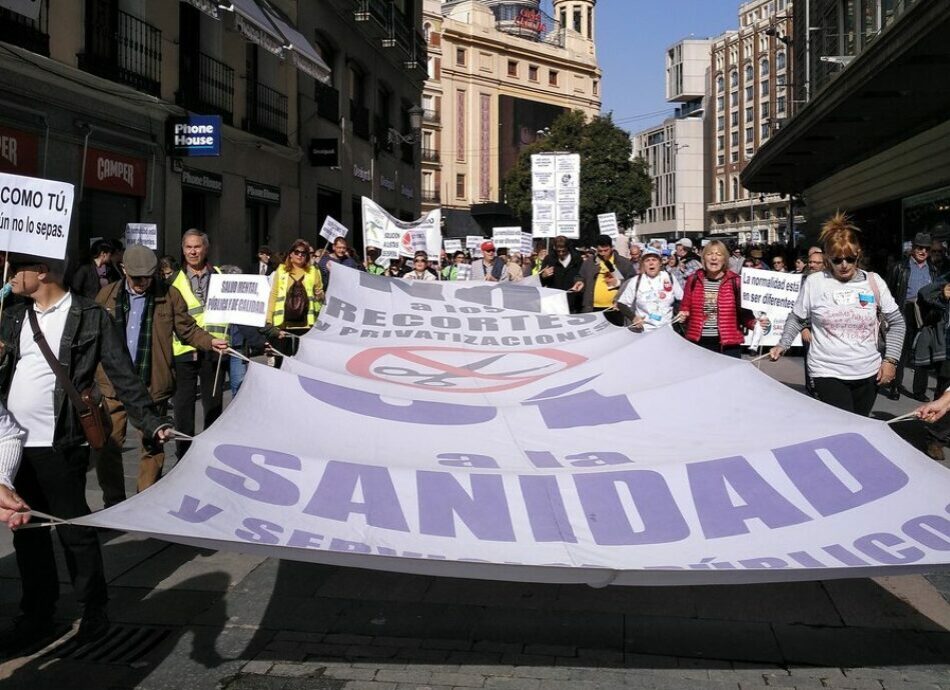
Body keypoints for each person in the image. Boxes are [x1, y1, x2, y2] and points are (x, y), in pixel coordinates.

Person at [0, 253, 173, 652]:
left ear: (40, 273)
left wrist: (150, 421)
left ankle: (94, 607)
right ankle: (37, 613)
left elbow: (121, 372)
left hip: (62, 442)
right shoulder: (12, 314)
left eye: (15, 271)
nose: (9, 278)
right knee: (25, 532)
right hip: (14, 447)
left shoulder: (89, 315)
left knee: (74, 529)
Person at [93, 245, 227, 507]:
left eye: (148, 277)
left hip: (152, 383)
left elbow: (187, 330)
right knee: (108, 446)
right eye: (137, 278)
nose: (143, 283)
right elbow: (94, 337)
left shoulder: (170, 295)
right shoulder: (106, 296)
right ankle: (114, 503)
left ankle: (146, 502)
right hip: (112, 384)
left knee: (152, 445)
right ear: (123, 271)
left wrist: (210, 342)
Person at [769, 213, 905, 416]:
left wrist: (891, 361)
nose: (844, 265)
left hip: (868, 371)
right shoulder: (815, 282)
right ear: (827, 258)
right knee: (843, 424)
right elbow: (797, 317)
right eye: (837, 259)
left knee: (859, 425)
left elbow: (897, 323)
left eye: (850, 259)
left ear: (858, 254)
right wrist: (783, 343)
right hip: (826, 371)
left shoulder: (874, 282)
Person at [169, 229, 230, 460]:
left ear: (206, 249)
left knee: (213, 405)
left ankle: (210, 453)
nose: (193, 251)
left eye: (197, 247)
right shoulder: (173, 280)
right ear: (183, 250)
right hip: (183, 352)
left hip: (214, 352)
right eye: (188, 247)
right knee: (183, 409)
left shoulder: (221, 277)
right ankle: (184, 455)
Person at [680, 240, 761, 357]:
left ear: (725, 259)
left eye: (718, 254)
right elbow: (685, 306)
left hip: (728, 344)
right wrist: (684, 313)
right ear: (703, 258)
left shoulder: (735, 281)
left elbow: (744, 312)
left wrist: (755, 324)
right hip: (699, 342)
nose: (714, 258)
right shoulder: (693, 280)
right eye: (709, 254)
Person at [886, 231, 938, 402]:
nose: (923, 251)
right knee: (902, 351)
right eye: (919, 247)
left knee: (923, 352)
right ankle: (895, 385)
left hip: (926, 311)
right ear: (913, 248)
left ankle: (919, 391)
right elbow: (889, 292)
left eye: (926, 249)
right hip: (905, 310)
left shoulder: (933, 269)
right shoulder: (900, 267)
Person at [265, 240, 324, 361]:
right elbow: (274, 295)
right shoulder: (281, 270)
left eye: (304, 253)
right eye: (297, 252)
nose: (300, 255)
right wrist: (268, 319)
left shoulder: (313, 271)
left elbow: (320, 298)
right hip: (283, 325)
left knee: (303, 362)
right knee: (281, 363)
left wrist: (320, 295)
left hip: (305, 325)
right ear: (290, 254)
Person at [616, 247, 683, 331]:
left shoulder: (669, 277)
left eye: (654, 260)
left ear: (660, 263)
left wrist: (682, 311)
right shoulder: (636, 281)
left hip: (668, 329)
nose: (651, 263)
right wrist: (634, 318)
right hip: (645, 331)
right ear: (643, 264)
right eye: (647, 260)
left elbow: (682, 299)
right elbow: (622, 304)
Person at [580, 235, 637, 325]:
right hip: (592, 308)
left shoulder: (623, 263)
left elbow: (633, 283)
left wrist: (618, 282)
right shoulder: (590, 262)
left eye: (606, 250)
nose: (603, 253)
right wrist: (579, 282)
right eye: (600, 251)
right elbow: (580, 276)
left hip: (615, 309)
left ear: (612, 248)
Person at [539, 236, 584, 313]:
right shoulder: (549, 259)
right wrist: (543, 275)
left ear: (568, 248)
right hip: (554, 303)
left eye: (564, 251)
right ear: (554, 248)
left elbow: (582, 276)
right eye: (558, 251)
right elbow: (541, 281)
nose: (561, 253)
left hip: (573, 302)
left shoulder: (577, 259)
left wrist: (580, 282)